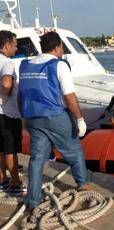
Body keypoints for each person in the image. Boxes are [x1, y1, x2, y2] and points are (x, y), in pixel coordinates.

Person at [18, 32, 89, 209]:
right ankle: (83, 184)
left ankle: (32, 200)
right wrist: (80, 119)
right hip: (54, 116)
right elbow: (69, 96)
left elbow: (21, 95)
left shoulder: (25, 65)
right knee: (73, 151)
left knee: (36, 159)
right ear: (57, 47)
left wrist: (24, 117)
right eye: (61, 48)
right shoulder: (59, 65)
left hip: (33, 118)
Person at [0, 30, 26, 196]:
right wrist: (5, 95)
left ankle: (2, 180)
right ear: (7, 45)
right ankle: (16, 183)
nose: (16, 48)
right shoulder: (8, 63)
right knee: (10, 149)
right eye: (15, 44)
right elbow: (7, 83)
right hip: (6, 113)